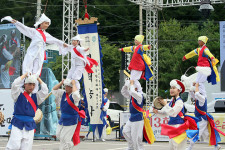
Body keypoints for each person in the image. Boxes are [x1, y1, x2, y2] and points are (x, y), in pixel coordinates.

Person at [1, 14, 68, 77]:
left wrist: (62, 44)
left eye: (48, 24)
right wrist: (16, 22)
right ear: (41, 23)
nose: (47, 25)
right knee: (27, 67)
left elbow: (54, 39)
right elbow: (25, 28)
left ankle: (34, 86)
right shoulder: (34, 31)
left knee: (37, 71)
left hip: (40, 54)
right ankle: (25, 84)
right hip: (32, 52)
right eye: (46, 23)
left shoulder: (46, 34)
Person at [6, 73, 49, 150]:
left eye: (33, 85)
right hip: (17, 123)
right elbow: (15, 84)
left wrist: (38, 78)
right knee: (14, 146)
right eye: (29, 84)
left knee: (26, 148)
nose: (31, 87)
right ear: (25, 84)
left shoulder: (37, 97)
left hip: (29, 124)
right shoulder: (18, 94)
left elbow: (45, 90)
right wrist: (25, 75)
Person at [153, 79, 199, 150]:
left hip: (179, 127)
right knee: (172, 147)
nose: (171, 90)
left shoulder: (179, 102)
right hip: (172, 127)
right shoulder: (171, 101)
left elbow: (173, 113)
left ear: (179, 90)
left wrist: (165, 105)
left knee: (178, 147)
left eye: (174, 88)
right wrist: (157, 112)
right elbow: (166, 112)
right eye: (171, 88)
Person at [186, 82, 222, 150]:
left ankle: (190, 147)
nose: (195, 91)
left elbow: (196, 94)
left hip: (202, 119)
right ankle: (216, 146)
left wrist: (196, 86)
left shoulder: (202, 98)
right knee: (207, 134)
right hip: (200, 119)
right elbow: (192, 94)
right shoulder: (198, 98)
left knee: (197, 133)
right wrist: (191, 87)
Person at [52, 78, 84, 149]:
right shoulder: (63, 93)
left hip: (71, 119)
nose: (66, 88)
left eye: (68, 86)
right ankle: (70, 145)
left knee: (65, 138)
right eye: (65, 86)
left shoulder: (74, 96)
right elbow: (54, 90)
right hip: (63, 118)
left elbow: (76, 94)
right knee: (58, 135)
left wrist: (73, 83)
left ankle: (66, 147)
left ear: (72, 88)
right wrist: (61, 82)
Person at [121, 80, 145, 150]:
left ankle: (138, 148)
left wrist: (131, 84)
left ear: (136, 88)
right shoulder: (132, 95)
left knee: (136, 138)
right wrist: (126, 85)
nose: (130, 88)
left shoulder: (139, 96)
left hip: (138, 119)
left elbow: (132, 92)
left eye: (133, 86)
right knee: (125, 132)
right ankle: (131, 147)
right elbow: (123, 92)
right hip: (132, 118)